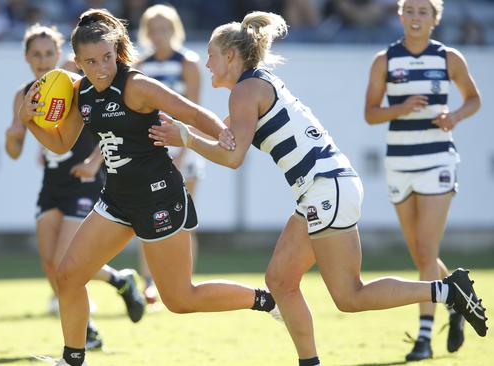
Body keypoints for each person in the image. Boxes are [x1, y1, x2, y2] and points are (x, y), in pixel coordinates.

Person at [148, 11, 488, 366]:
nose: (206, 63)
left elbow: (232, 158)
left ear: (230, 56)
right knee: (280, 280)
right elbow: (225, 135)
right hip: (324, 188)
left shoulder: (246, 90)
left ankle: (449, 291)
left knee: (349, 295)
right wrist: (182, 129)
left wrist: (184, 137)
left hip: (326, 188)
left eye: (211, 55)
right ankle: (310, 362)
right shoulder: (253, 85)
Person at [18, 9, 280, 366]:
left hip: (160, 196)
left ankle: (265, 300)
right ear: (76, 63)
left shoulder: (136, 85)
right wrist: (28, 120)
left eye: (107, 58)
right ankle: (73, 359)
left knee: (180, 299)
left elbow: (191, 112)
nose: (101, 68)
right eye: (91, 61)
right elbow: (62, 143)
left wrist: (226, 136)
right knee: (68, 276)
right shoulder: (81, 93)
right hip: (116, 199)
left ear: (116, 53)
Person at [4, 23, 145, 351]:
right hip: (51, 185)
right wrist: (13, 133)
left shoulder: (76, 83)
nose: (42, 60)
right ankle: (117, 283)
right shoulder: (23, 94)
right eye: (36, 54)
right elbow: (14, 151)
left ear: (60, 54)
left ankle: (85, 333)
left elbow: (108, 122)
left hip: (83, 182)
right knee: (51, 265)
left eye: (48, 53)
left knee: (68, 259)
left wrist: (95, 161)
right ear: (26, 56)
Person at [363, 0, 482, 361]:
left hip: (437, 160)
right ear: (400, 16)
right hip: (399, 162)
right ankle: (456, 297)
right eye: (409, 10)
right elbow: (370, 114)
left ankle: (424, 339)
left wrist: (455, 116)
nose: (415, 17)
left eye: (423, 11)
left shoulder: (449, 58)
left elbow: (473, 99)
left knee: (427, 251)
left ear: (435, 18)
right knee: (419, 251)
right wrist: (399, 108)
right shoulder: (385, 60)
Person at [135, 4, 206, 304]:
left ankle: (182, 281)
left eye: (165, 28)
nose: (159, 34)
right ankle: (149, 282)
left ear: (174, 30)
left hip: (185, 148)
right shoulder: (140, 64)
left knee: (184, 217)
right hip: (151, 151)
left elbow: (194, 113)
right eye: (153, 28)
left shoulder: (188, 62)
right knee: (147, 218)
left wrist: (180, 151)